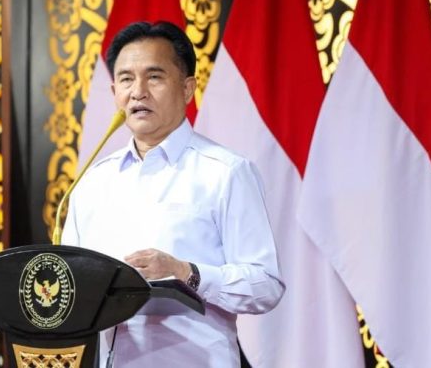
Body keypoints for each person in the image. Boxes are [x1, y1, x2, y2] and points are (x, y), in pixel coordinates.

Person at [62, 21, 284, 367]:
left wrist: (185, 272)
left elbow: (265, 286)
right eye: (126, 79)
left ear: (187, 88)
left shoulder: (225, 172)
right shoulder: (92, 183)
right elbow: (71, 287)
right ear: (115, 92)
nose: (138, 92)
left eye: (154, 77)